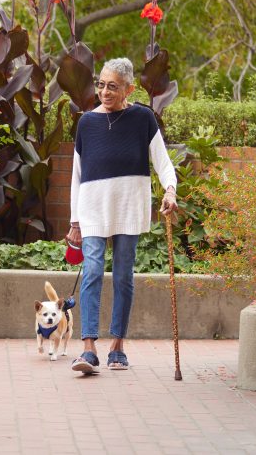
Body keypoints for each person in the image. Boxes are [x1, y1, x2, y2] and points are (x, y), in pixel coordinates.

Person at [66, 57, 178, 374]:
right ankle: (88, 349)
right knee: (91, 273)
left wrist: (170, 190)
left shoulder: (143, 119)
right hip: (92, 209)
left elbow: (164, 163)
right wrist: (74, 222)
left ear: (128, 88)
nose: (104, 91)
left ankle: (117, 346)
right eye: (101, 84)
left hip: (129, 208)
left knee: (123, 277)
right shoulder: (86, 123)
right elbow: (76, 175)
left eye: (113, 86)